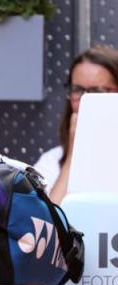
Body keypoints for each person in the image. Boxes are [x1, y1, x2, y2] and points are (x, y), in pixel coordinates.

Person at [33, 45, 118, 203]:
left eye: (97, 91)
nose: (84, 100)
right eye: (78, 90)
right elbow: (48, 224)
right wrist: (73, 156)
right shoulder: (52, 161)